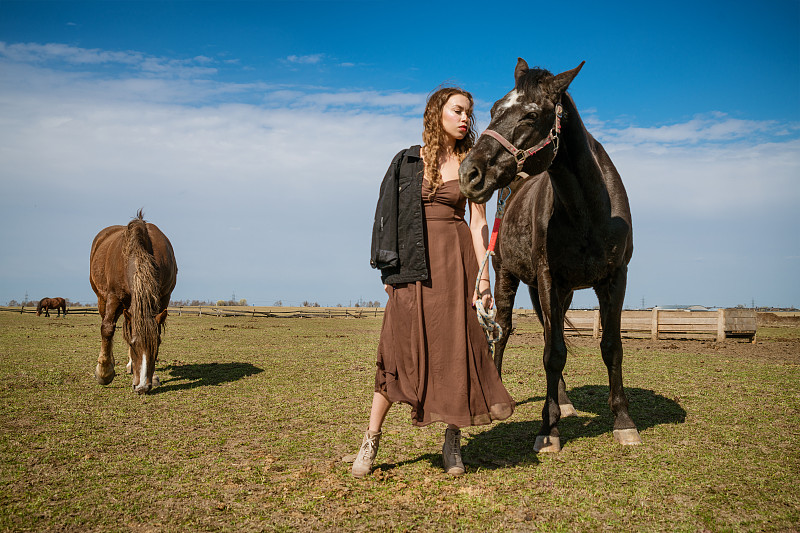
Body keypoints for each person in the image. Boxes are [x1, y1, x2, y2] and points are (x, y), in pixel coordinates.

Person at [353, 86, 515, 478]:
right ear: (436, 113)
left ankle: (453, 442)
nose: (464, 119)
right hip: (412, 268)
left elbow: (477, 224)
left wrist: (484, 280)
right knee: (395, 350)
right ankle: (370, 440)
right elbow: (386, 218)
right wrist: (389, 272)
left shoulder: (472, 163)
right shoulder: (408, 161)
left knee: (457, 350)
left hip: (455, 264)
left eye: (468, 114)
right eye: (457, 111)